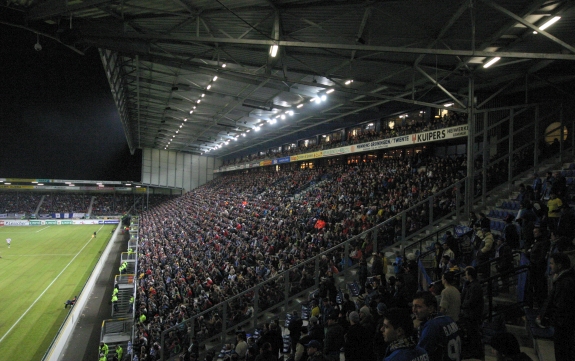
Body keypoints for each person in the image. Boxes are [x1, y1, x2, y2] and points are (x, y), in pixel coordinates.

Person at [538, 253, 575, 361]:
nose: (550, 266)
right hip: (562, 324)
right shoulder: (562, 279)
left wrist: (553, 319)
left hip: (563, 325)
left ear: (559, 265)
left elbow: (561, 306)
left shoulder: (566, 282)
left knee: (562, 353)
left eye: (552, 263)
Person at [412, 291, 461, 361]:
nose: (414, 310)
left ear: (431, 309)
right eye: (413, 306)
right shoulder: (448, 319)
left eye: (418, 307)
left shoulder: (432, 326)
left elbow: (420, 356)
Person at [459, 267, 484, 360]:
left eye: (466, 274)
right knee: (470, 333)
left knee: (473, 334)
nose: (465, 276)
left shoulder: (475, 287)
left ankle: (475, 352)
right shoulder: (470, 285)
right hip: (470, 314)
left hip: (472, 315)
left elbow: (471, 301)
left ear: (469, 275)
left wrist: (462, 305)